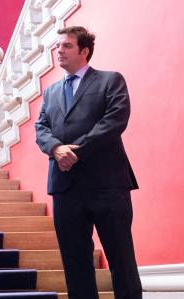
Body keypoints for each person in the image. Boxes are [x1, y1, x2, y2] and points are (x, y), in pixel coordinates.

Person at [34, 26, 142, 299]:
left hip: (108, 184)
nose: (59, 51)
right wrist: (57, 149)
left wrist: (76, 152)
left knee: (122, 261)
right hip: (65, 187)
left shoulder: (110, 80)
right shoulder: (51, 92)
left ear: (84, 51)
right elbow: (41, 128)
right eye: (58, 46)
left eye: (67, 46)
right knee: (75, 264)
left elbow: (115, 121)